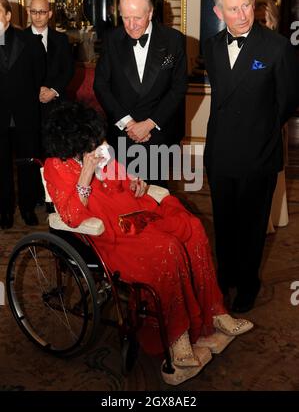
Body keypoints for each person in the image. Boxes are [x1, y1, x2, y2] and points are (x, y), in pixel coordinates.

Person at [43, 101, 253, 386]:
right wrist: (86, 172)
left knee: (191, 227)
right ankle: (178, 338)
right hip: (105, 235)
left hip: (132, 214)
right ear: (72, 141)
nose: (97, 144)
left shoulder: (99, 152)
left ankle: (214, 312)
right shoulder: (56, 166)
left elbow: (124, 180)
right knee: (167, 248)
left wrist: (135, 183)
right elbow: (71, 215)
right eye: (90, 141)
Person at [203, 0, 299, 313]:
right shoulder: (211, 46)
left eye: (247, 4)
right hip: (221, 153)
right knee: (224, 222)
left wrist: (261, 132)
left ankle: (247, 283)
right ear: (219, 12)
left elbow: (287, 102)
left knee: (252, 226)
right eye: (234, 8)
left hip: (258, 154)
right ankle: (225, 275)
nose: (244, 14)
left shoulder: (277, 47)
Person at [93, 0, 187, 187]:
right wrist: (129, 123)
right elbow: (101, 85)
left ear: (150, 13)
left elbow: (178, 88)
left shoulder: (174, 40)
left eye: (137, 18)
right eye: (125, 18)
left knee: (156, 198)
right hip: (122, 134)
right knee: (122, 197)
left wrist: (149, 123)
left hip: (158, 134)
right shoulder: (112, 39)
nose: (131, 25)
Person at [0, 0, 46, 228]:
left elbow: (38, 75)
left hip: (25, 113)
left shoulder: (29, 42)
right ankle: (5, 210)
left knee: (27, 163)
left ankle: (28, 208)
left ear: (8, 16)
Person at [254, 0, 289, 233]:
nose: (259, 25)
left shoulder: (281, 48)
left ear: (273, 21)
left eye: (262, 20)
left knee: (269, 173)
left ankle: (269, 218)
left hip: (273, 122)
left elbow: (287, 93)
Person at [24, 0, 74, 122]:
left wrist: (53, 90)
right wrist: (35, 90)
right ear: (28, 12)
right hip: (29, 104)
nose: (38, 16)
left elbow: (68, 69)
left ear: (50, 14)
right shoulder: (20, 39)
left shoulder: (61, 39)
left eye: (42, 12)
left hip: (57, 102)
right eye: (34, 12)